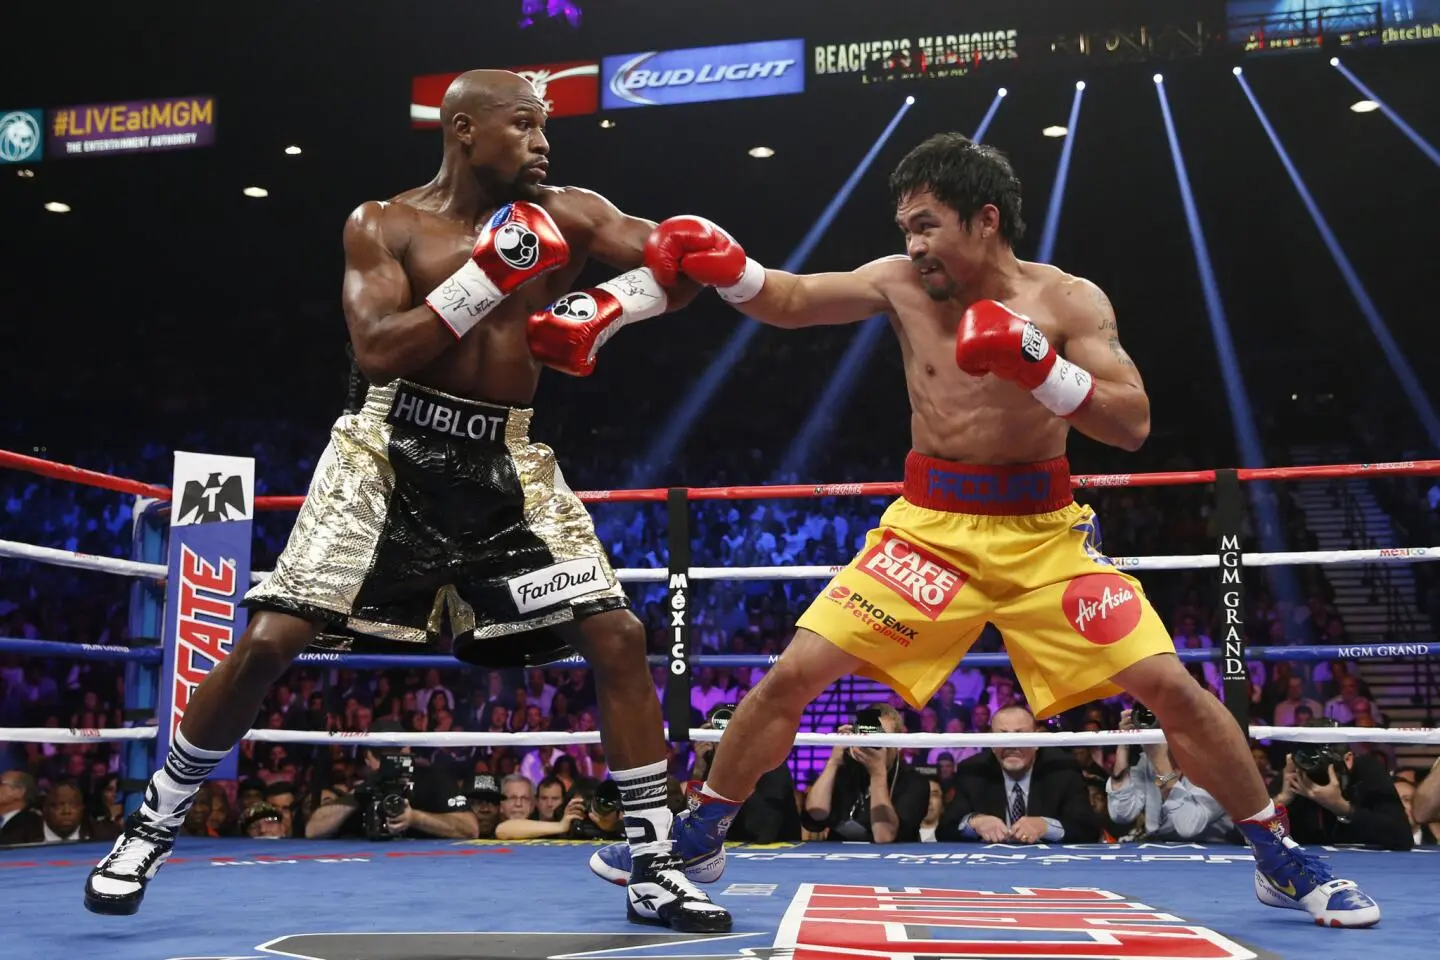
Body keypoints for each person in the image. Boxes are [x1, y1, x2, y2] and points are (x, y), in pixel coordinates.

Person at [596, 131, 1380, 927]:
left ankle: (1276, 856)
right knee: (792, 674)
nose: (913, 245)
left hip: (1044, 535)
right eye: (906, 228)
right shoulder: (901, 283)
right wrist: (730, 267)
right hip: (929, 532)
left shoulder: (1068, 301)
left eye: (927, 225)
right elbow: (791, 300)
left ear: (986, 219)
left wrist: (1041, 365)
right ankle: (701, 836)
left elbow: (1133, 423)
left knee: (1171, 686)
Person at [83, 68, 726, 932]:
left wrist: (607, 306)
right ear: (464, 129)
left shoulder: (571, 212)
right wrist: (489, 276)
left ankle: (653, 865)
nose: (542, 142)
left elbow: (683, 260)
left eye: (545, 127)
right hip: (386, 453)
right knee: (271, 640)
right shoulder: (384, 224)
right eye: (523, 125)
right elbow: (380, 349)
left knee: (617, 634)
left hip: (505, 459)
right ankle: (149, 827)